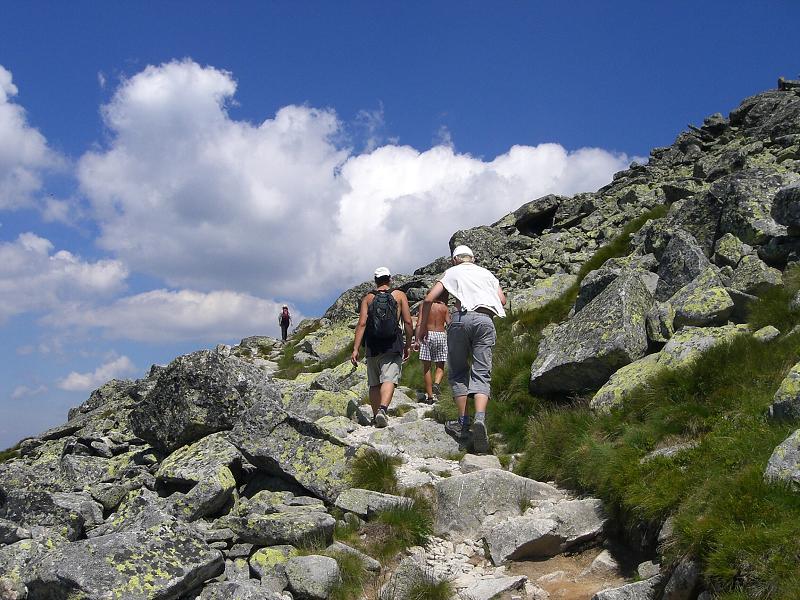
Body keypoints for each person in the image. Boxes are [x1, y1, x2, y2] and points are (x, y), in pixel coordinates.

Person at [417, 245, 506, 453]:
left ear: (454, 259)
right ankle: (480, 419)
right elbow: (501, 300)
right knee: (482, 372)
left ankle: (463, 422)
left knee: (458, 372)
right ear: (473, 258)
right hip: (486, 321)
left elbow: (429, 298)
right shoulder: (487, 274)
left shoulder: (452, 272)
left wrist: (421, 329)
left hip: (461, 319)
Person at [351, 267, 414, 427]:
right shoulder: (399, 295)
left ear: (375, 280)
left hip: (372, 344)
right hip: (393, 343)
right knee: (389, 378)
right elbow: (407, 321)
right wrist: (408, 344)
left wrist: (356, 348)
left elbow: (362, 323)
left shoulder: (368, 298)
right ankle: (383, 410)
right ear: (389, 278)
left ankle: (374, 416)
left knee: (374, 383)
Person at [417, 289, 450, 403]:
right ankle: (436, 383)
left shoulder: (424, 305)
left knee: (427, 367)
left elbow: (420, 323)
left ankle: (430, 397)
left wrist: (417, 339)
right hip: (441, 335)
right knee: (440, 364)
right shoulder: (444, 308)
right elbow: (449, 323)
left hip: (428, 335)